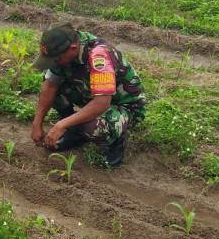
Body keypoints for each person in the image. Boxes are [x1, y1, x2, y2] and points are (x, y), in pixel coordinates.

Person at [30, 21, 146, 168]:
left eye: (56, 59)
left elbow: (102, 103)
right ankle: (74, 132)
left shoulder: (99, 56)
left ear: (72, 49)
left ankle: (116, 138)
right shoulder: (65, 54)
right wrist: (37, 123)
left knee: (91, 127)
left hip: (124, 105)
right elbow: (50, 86)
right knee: (54, 85)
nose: (55, 63)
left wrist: (60, 125)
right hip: (94, 95)